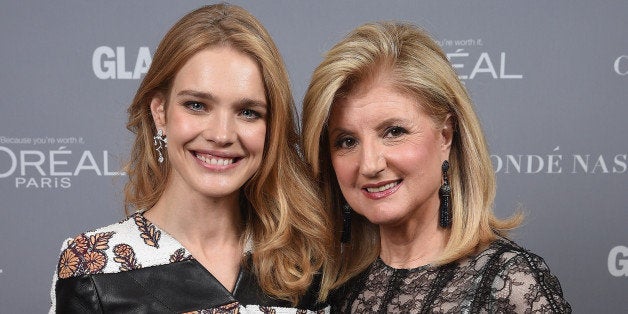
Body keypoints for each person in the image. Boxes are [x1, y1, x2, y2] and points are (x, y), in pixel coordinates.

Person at [49, 4, 333, 313]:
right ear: (160, 112)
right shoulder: (92, 267)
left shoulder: (307, 263)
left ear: (271, 128)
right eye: (197, 105)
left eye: (248, 112)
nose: (222, 134)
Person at [301, 21, 571, 313]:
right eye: (347, 141)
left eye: (394, 132)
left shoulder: (509, 284)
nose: (369, 164)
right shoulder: (333, 290)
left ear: (445, 135)